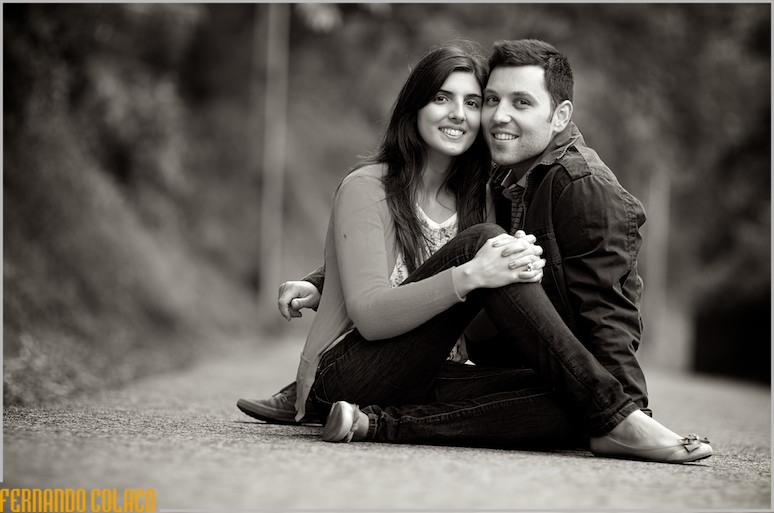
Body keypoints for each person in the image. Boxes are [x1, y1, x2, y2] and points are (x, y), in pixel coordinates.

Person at [239, 39, 712, 463]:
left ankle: (374, 424)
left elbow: (446, 283)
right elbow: (372, 314)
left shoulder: (484, 194)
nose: (461, 114)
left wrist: (505, 275)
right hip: (353, 370)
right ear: (414, 108)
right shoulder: (368, 187)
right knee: (488, 245)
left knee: (573, 404)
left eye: (472, 101)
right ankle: (619, 416)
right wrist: (473, 274)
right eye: (442, 98)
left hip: (430, 373)